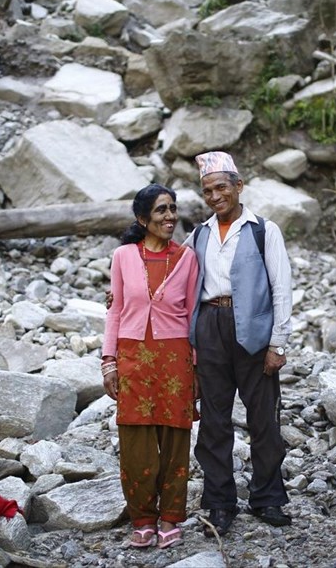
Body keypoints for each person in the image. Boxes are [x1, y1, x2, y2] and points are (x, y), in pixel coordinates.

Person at [188, 150, 294, 537]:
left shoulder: (263, 230)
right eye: (207, 191)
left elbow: (281, 288)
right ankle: (219, 503)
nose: (214, 196)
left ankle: (268, 497)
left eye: (220, 187)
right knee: (214, 422)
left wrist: (278, 343)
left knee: (263, 418)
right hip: (210, 327)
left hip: (253, 328)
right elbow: (176, 278)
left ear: (238, 186)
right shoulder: (198, 234)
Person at [102, 183, 199, 550]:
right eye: (161, 211)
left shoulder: (187, 258)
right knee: (135, 437)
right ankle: (142, 518)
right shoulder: (123, 256)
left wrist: (198, 367)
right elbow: (116, 311)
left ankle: (171, 517)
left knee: (175, 437)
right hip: (133, 353)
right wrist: (108, 361)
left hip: (175, 357)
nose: (170, 217)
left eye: (172, 209)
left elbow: (192, 315)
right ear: (143, 218)